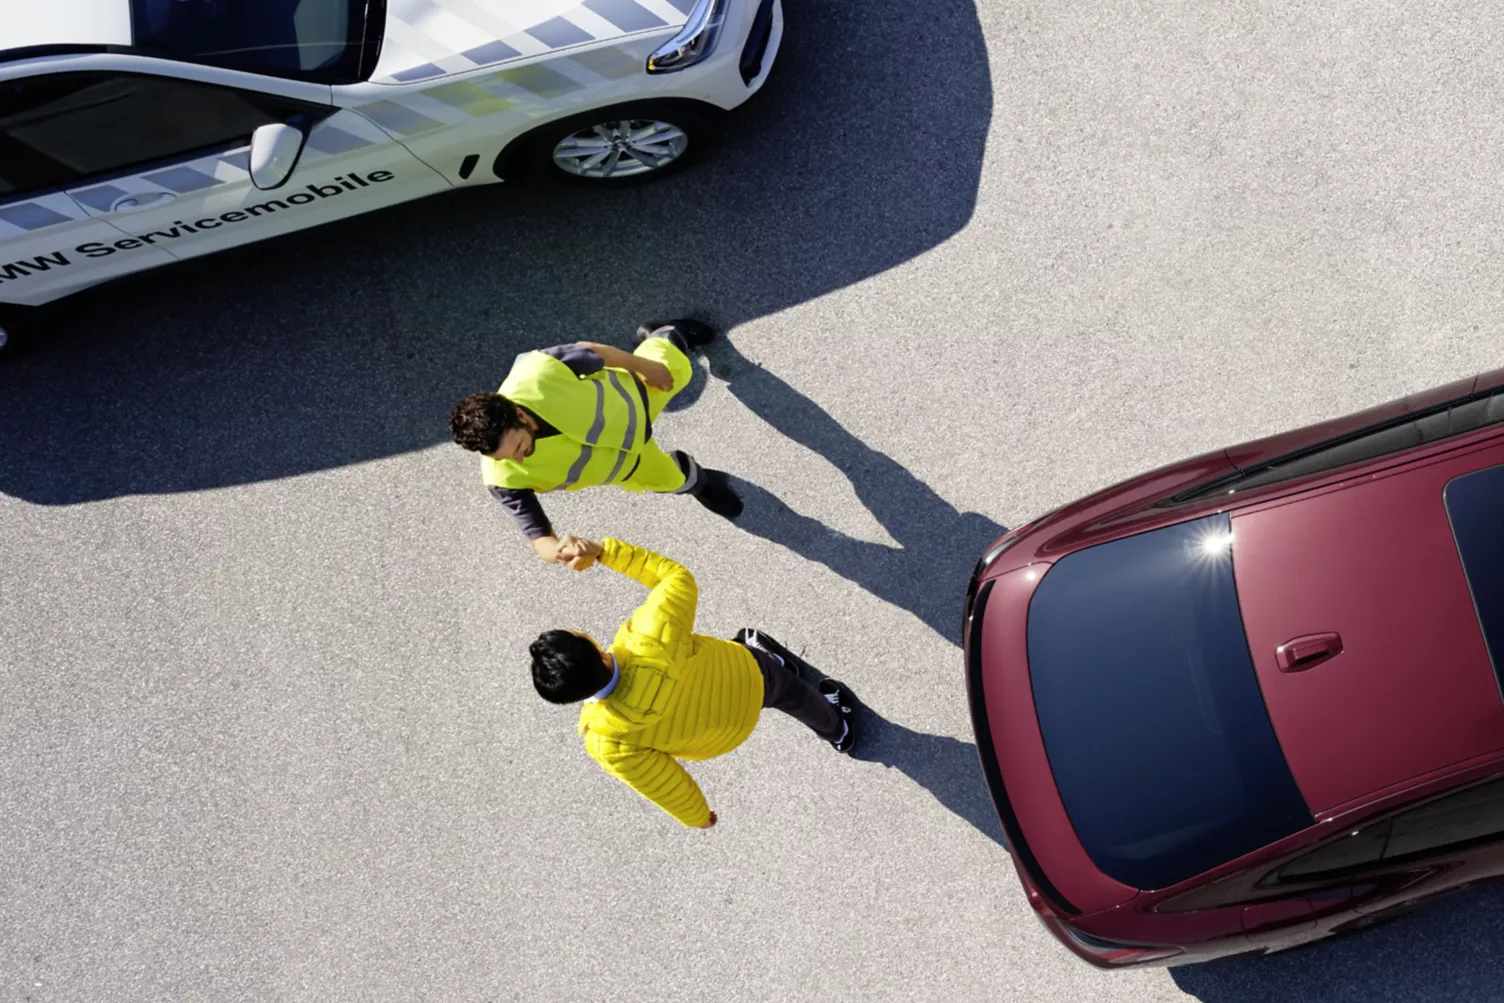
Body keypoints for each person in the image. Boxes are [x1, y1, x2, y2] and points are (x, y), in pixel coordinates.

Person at [528, 536, 858, 828]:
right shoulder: (650, 633)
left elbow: (664, 784)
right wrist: (603, 552)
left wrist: (698, 817)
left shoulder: (606, 743)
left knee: (761, 669)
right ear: (596, 649)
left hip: (723, 733)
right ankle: (838, 727)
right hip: (745, 675)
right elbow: (675, 577)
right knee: (792, 693)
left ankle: (833, 727)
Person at [448, 319, 744, 565]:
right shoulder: (503, 480)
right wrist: (562, 552)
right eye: (504, 458)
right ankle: (700, 483)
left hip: (636, 396)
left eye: (517, 447)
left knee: (676, 368)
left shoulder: (538, 372)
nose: (518, 460)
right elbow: (540, 539)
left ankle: (666, 333)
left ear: (520, 415)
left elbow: (593, 353)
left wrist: (643, 365)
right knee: (673, 479)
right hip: (629, 465)